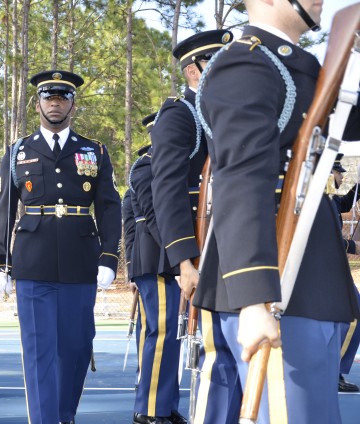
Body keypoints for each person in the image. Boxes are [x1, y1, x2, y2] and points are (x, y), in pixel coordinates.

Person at [194, 1, 360, 422]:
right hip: (276, 284)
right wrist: (254, 302)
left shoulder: (297, 67)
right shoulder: (247, 66)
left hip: (310, 280)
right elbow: (241, 181)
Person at [0, 70, 121, 424]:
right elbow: (3, 209)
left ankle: (64, 415)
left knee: (76, 347)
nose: (56, 103)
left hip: (81, 260)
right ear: (38, 103)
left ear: (72, 105)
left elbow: (109, 206)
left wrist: (109, 256)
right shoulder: (18, 151)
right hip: (33, 260)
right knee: (38, 350)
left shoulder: (93, 151)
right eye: (49, 97)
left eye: (63, 97)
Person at [149, 30, 241, 424]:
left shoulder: (231, 115)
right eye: (216, 65)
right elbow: (167, 188)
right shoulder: (180, 114)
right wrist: (184, 261)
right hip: (204, 250)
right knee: (218, 362)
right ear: (193, 71)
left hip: (240, 245)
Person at [129, 111, 186, 424]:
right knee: (161, 333)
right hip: (159, 259)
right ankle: (149, 407)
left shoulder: (169, 164)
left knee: (171, 337)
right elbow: (155, 219)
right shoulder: (147, 165)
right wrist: (181, 257)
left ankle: (164, 404)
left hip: (169, 260)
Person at [328, 154, 360, 393]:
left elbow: (347, 203)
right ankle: (332, 371)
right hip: (328, 266)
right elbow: (327, 239)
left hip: (334, 266)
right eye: (339, 173)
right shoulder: (323, 197)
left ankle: (332, 371)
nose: (342, 177)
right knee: (353, 311)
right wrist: (353, 247)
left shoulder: (331, 198)